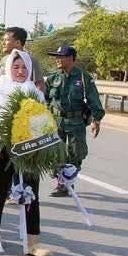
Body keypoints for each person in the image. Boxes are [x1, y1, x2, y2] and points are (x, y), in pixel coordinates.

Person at [0, 50, 53, 256]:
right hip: (0, 147)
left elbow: (42, 119)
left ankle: (33, 241)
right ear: (8, 69)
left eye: (24, 68)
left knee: (31, 191)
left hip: (28, 147)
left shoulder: (35, 93)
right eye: (16, 67)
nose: (20, 71)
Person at [44, 45, 103, 196]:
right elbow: (45, 98)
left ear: (70, 58)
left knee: (76, 153)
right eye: (56, 57)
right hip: (55, 121)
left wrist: (96, 120)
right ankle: (61, 183)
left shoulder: (83, 77)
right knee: (54, 152)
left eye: (61, 57)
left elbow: (93, 99)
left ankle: (68, 180)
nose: (57, 59)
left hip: (75, 121)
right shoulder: (52, 77)